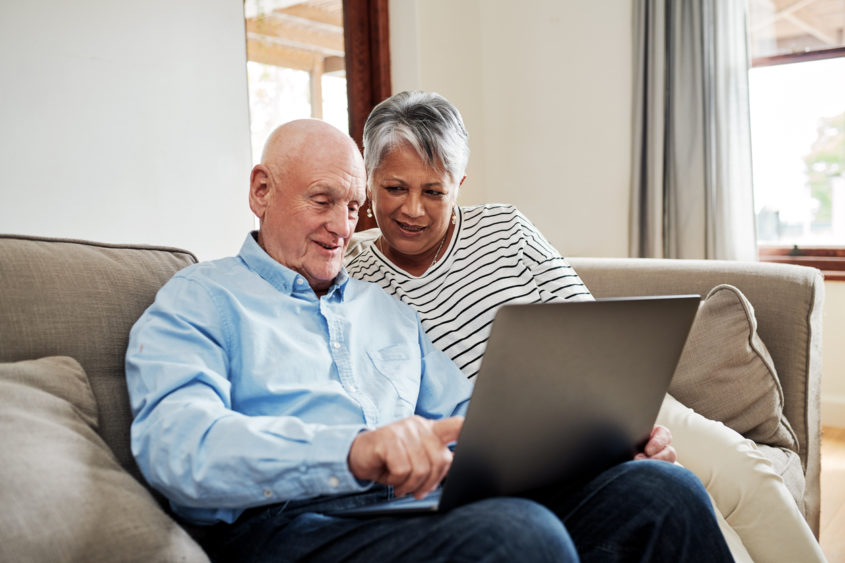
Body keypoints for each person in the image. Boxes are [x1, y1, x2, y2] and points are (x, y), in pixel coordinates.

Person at [126, 118, 733, 562]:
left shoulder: (385, 312)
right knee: (516, 534)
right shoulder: (198, 298)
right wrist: (354, 450)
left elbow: (472, 420)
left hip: (410, 512)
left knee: (663, 490)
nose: (343, 228)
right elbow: (178, 445)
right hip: (285, 526)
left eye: (354, 207)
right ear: (262, 190)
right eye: (322, 201)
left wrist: (594, 447)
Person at [345, 90, 826, 562]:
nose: (413, 209)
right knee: (688, 508)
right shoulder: (350, 272)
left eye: (434, 191)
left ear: (460, 184)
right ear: (368, 180)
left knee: (746, 472)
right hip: (500, 449)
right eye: (395, 188)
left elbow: (590, 324)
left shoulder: (505, 229)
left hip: (595, 401)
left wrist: (620, 428)